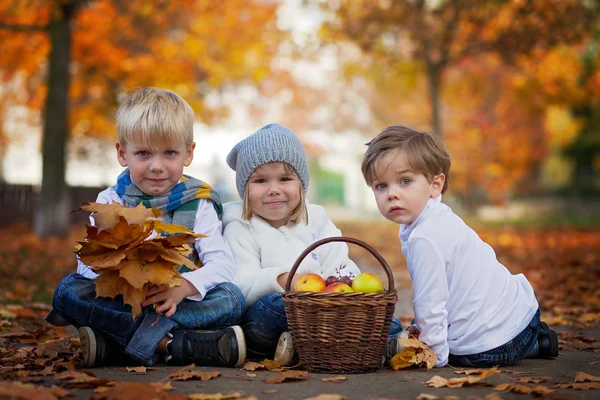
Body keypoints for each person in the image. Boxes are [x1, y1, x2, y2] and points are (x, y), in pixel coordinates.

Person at [49, 87, 246, 368]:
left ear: (188, 154)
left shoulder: (197, 203)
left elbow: (222, 264)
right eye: (143, 153)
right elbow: (87, 264)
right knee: (68, 290)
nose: (157, 166)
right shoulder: (110, 201)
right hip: (124, 302)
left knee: (232, 299)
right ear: (122, 153)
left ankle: (115, 344)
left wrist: (185, 287)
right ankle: (175, 344)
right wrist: (121, 272)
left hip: (178, 304)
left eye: (169, 153)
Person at [361, 124, 559, 368]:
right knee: (414, 328)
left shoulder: (426, 237)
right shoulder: (439, 217)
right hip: (522, 314)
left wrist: (433, 354)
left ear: (435, 185)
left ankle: (530, 344)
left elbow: (431, 303)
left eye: (405, 181)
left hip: (489, 345)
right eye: (381, 186)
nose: (392, 193)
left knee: (405, 338)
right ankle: (536, 341)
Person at [222, 123, 404, 366]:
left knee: (384, 319)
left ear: (301, 183)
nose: (274, 190)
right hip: (273, 316)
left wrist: (350, 296)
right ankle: (320, 345)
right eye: (261, 181)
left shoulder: (316, 221)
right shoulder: (240, 227)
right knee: (269, 309)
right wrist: (285, 281)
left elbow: (340, 265)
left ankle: (317, 346)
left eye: (285, 178)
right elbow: (240, 284)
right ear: (244, 189)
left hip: (326, 314)